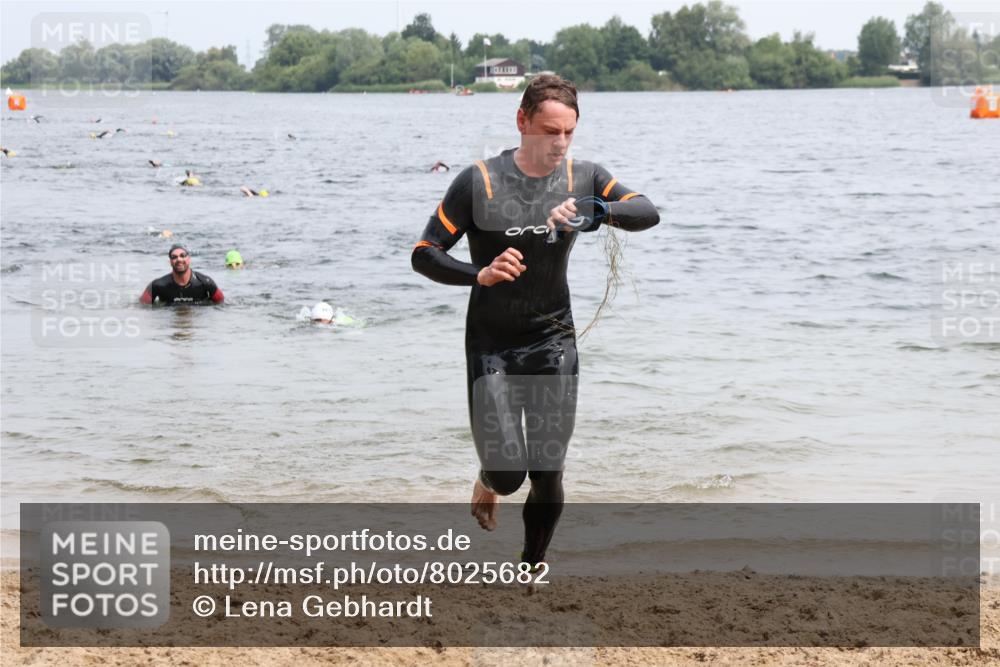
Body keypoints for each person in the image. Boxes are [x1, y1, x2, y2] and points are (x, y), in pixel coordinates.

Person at [411, 74, 659, 568]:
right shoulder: (479, 181)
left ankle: (531, 566)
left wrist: (596, 213)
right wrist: (478, 273)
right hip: (492, 345)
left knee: (547, 467)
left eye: (568, 132)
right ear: (522, 120)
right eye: (549, 131)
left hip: (553, 340)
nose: (559, 143)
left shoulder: (582, 179)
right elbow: (424, 254)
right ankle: (488, 481)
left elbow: (646, 211)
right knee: (507, 473)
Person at [140, 244, 224, 305]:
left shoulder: (205, 282)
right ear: (170, 262)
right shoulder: (157, 285)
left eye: (182, 255)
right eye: (174, 257)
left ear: (189, 259)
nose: (179, 259)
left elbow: (222, 304)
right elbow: (141, 307)